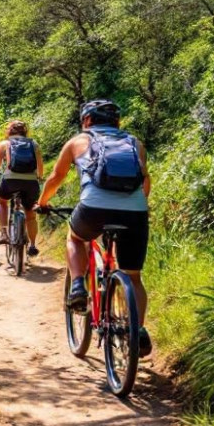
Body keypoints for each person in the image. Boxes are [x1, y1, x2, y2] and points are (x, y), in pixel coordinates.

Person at [36, 99, 153, 357]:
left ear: (87, 120)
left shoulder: (78, 141)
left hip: (93, 208)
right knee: (133, 276)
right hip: (135, 212)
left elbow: (56, 177)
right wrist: (138, 207)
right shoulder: (134, 143)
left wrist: (42, 202)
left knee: (76, 238)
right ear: (117, 121)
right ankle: (138, 330)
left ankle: (78, 285)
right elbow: (145, 180)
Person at [0, 119, 43, 257]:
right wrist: (40, 177)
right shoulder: (33, 143)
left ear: (9, 131)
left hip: (10, 180)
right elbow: (40, 165)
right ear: (25, 131)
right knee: (30, 214)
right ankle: (32, 245)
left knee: (1, 201)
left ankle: (4, 233)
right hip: (30, 182)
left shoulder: (4, 144)